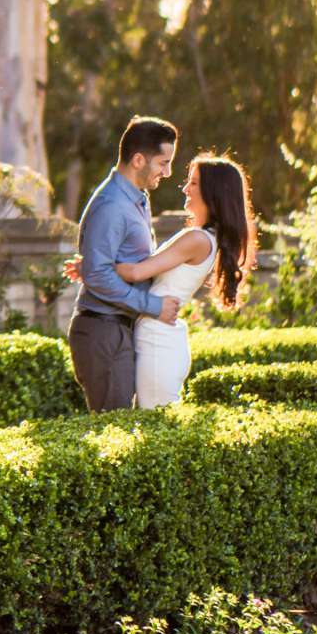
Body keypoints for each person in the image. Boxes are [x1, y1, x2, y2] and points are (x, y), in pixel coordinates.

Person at [119, 154, 258, 408]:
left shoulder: (196, 239)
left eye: (193, 183)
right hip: (161, 341)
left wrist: (95, 266)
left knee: (154, 432)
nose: (184, 188)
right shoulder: (206, 238)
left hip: (158, 344)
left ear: (211, 191)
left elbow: (137, 272)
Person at [68, 116, 181, 412]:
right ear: (138, 160)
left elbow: (105, 264)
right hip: (103, 331)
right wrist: (153, 305)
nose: (167, 172)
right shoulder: (112, 205)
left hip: (118, 329)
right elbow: (98, 274)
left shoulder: (136, 199)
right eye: (163, 163)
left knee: (122, 427)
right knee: (112, 432)